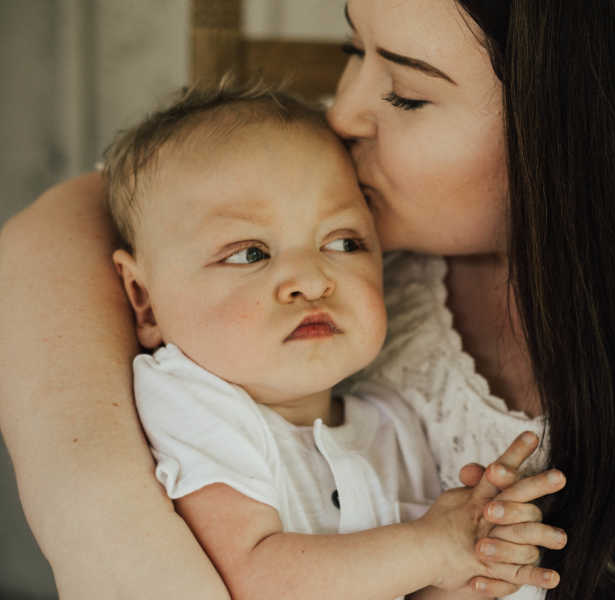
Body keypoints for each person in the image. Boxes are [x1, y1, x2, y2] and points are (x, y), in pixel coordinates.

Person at [2, 1, 615, 598]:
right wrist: (100, 513)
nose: (343, 114)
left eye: (405, 91)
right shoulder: (351, 241)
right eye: (356, 48)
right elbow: (78, 220)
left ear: (576, 128)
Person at [101, 81, 565, 600]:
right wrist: (432, 546)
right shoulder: (193, 402)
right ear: (144, 299)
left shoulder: (392, 426)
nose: (313, 278)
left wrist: (480, 561)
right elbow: (252, 580)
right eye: (251, 253)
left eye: (344, 242)